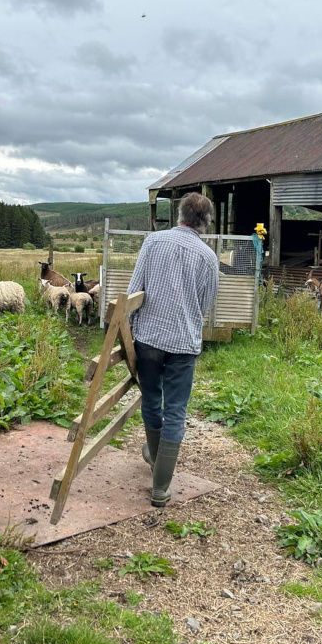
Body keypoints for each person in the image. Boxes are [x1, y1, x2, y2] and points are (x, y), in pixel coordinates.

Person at [126, 192, 219, 507]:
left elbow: (133, 292)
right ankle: (161, 488)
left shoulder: (153, 243)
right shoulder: (208, 258)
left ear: (179, 214)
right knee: (176, 410)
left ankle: (154, 457)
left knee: (152, 400)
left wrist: (131, 329)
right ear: (206, 222)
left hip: (149, 339)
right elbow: (205, 305)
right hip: (184, 345)